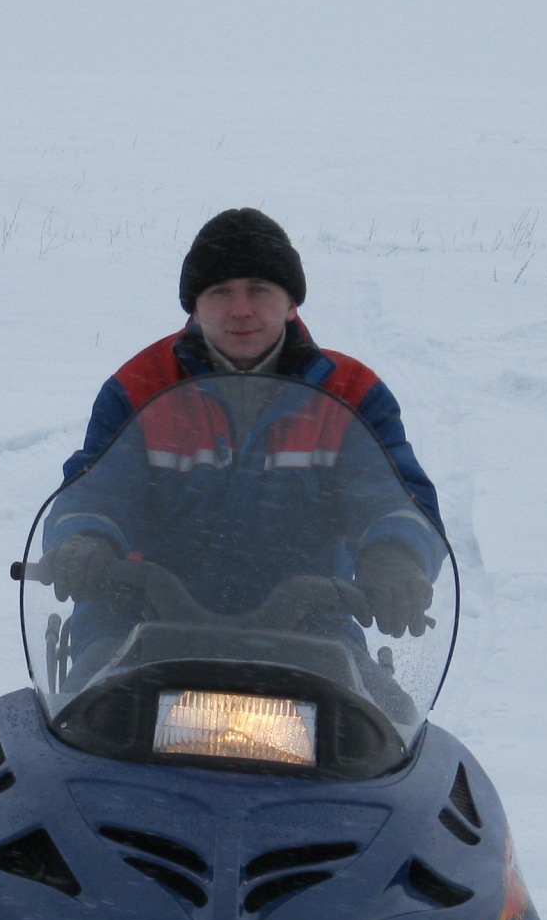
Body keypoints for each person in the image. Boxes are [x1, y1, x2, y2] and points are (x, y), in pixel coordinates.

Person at [43, 208, 444, 640]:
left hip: (311, 624)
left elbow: (390, 493)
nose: (240, 310)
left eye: (258, 290)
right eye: (220, 292)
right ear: (196, 308)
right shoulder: (139, 388)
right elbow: (98, 487)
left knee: (368, 687)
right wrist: (87, 539)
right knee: (92, 683)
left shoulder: (351, 393)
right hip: (137, 617)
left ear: (290, 303)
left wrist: (394, 553)